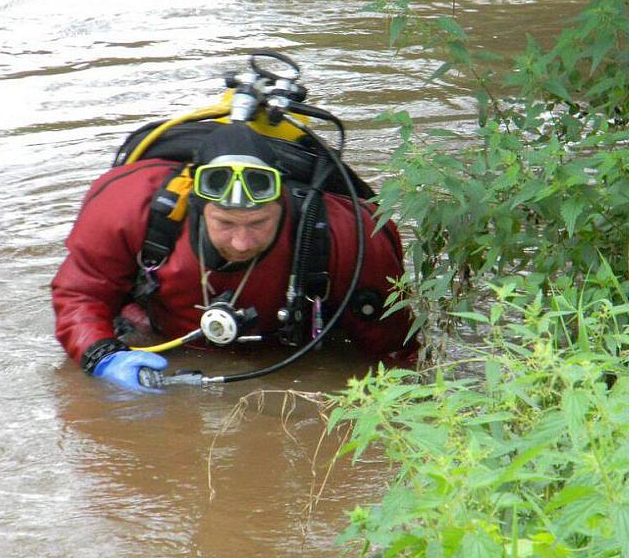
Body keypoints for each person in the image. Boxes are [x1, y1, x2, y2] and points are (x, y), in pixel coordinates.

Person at [52, 122, 416, 392]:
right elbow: (81, 296)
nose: (241, 242)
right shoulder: (129, 208)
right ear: (196, 205)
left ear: (283, 204)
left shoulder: (346, 236)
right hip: (159, 339)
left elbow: (397, 350)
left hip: (287, 352)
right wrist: (102, 357)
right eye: (225, 223)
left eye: (258, 223)